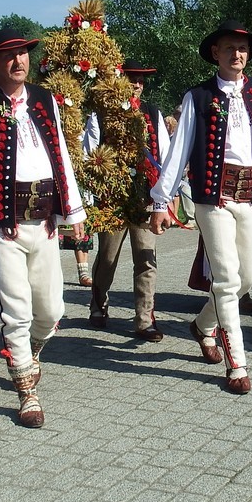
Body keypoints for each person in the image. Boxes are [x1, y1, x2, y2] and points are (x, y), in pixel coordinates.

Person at [149, 19, 252, 394]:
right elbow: (179, 152)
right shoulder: (198, 96)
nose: (237, 54)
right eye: (230, 48)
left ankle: (202, 326)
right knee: (227, 279)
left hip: (251, 197)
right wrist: (161, 200)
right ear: (216, 53)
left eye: (242, 48)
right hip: (212, 198)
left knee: (245, 277)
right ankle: (237, 363)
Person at [0, 29, 86, 428]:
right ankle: (27, 392)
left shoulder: (44, 100)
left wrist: (74, 211)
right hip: (1, 224)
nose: (18, 61)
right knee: (16, 311)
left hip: (44, 221)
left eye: (23, 54)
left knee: (51, 310)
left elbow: (60, 152)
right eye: (8, 56)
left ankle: (27, 354)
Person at [86, 58, 170, 341]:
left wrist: (165, 199)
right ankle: (98, 305)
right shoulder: (100, 114)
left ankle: (144, 319)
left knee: (146, 258)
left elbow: (166, 159)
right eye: (132, 79)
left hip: (145, 197)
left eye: (141, 81)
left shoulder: (153, 113)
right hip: (112, 198)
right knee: (108, 258)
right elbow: (89, 154)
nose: (136, 84)